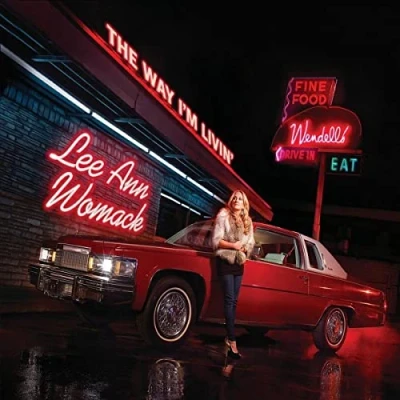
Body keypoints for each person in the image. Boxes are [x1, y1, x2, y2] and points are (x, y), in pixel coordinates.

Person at [211, 189, 255, 359]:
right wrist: (233, 246)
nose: (236, 200)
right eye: (234, 198)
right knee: (229, 300)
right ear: (231, 201)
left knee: (234, 302)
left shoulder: (247, 221)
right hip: (225, 261)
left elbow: (250, 243)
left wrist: (244, 249)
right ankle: (232, 340)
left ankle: (228, 337)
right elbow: (216, 241)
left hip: (239, 263)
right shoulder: (223, 216)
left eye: (240, 199)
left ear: (244, 204)